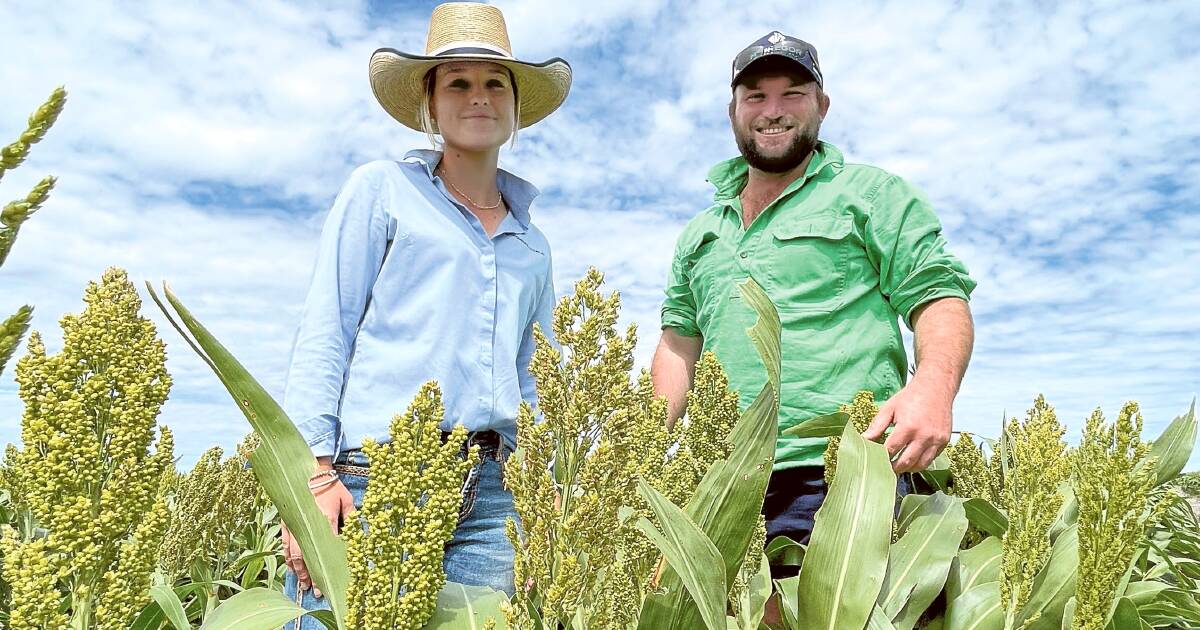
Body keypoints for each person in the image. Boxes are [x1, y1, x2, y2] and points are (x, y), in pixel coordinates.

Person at [651, 29, 976, 591]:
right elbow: (678, 343)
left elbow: (939, 298)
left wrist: (933, 388)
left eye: (793, 93)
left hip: (839, 473)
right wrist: (644, 448)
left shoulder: (871, 195)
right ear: (733, 110)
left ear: (822, 106)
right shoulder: (700, 233)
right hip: (722, 484)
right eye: (755, 96)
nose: (772, 111)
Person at [278, 3, 570, 625]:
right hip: (375, 474)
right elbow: (329, 328)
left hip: (494, 495)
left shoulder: (532, 243)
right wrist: (312, 479)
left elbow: (535, 374)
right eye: (458, 82)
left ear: (516, 107)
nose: (479, 97)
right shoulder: (381, 190)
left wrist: (544, 489)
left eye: (495, 83)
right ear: (429, 104)